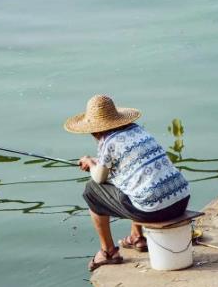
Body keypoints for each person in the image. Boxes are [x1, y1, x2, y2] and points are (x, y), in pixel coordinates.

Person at [64, 94, 190, 271]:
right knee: (137, 181)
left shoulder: (107, 142)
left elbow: (99, 178)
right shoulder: (137, 130)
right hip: (181, 200)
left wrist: (91, 163)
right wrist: (97, 163)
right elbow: (130, 169)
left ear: (95, 130)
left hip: (155, 211)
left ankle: (108, 252)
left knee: (92, 191)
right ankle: (137, 237)